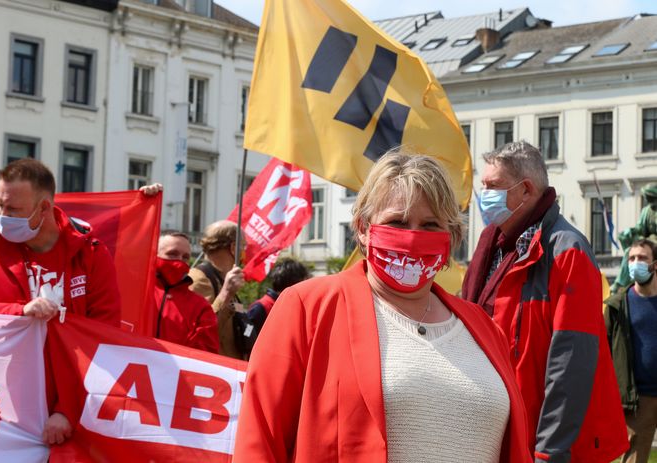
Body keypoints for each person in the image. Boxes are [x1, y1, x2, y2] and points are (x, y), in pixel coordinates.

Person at [234, 151, 530, 462]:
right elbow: (259, 440)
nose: (413, 236)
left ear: (451, 235)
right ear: (364, 228)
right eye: (397, 222)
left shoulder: (484, 329)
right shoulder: (306, 309)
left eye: (430, 225)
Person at [461, 141, 627, 462]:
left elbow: (570, 364)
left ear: (525, 190)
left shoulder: (567, 251)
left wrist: (548, 452)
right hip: (500, 430)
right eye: (483, 186)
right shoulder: (491, 247)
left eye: (493, 186)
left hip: (546, 441)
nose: (483, 196)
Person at [0, 158, 121, 446]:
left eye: (12, 210)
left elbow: (104, 341)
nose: (2, 216)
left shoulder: (91, 254)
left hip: (67, 416)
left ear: (44, 208)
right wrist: (19, 312)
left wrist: (68, 409)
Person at [605, 239, 657, 463]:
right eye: (632, 258)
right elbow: (602, 353)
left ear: (655, 264)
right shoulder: (618, 305)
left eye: (642, 258)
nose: (636, 263)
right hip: (637, 399)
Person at [189, 220, 246, 359]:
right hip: (212, 371)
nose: (245, 252)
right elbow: (199, 334)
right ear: (233, 248)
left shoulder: (224, 279)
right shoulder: (198, 279)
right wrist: (225, 295)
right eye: (244, 246)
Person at [154, 231, 218, 353]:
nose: (179, 262)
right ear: (155, 254)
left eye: (185, 257)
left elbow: (206, 355)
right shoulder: (137, 294)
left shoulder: (201, 307)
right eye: (172, 254)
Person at [247, 257, 309, 335]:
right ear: (293, 283)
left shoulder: (291, 306)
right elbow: (248, 336)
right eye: (304, 282)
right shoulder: (260, 307)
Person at [613, 183, 657, 292]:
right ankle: (620, 284)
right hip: (648, 242)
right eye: (647, 197)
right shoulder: (646, 210)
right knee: (629, 251)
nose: (648, 199)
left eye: (650, 197)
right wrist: (630, 231)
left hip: (653, 243)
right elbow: (640, 228)